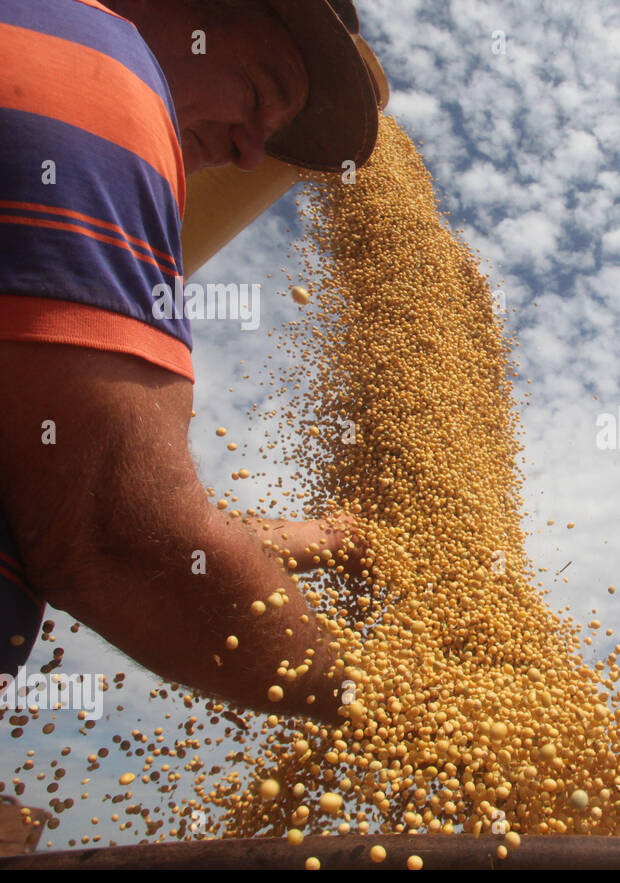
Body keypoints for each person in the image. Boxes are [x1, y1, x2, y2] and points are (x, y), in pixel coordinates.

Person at [0, 0, 383, 723]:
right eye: (260, 92)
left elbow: (51, 482)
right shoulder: (101, 74)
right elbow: (119, 538)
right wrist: (384, 697)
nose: (249, 152)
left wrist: (319, 541)